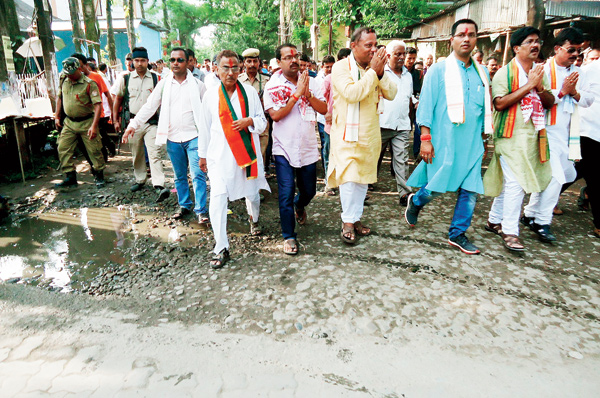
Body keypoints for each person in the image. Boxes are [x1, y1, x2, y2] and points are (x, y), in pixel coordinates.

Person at [404, 19, 491, 255]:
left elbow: (483, 109)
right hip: (445, 141)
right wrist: (425, 139)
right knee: (436, 187)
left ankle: (457, 233)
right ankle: (417, 201)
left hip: (472, 143)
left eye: (471, 35)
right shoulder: (438, 70)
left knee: (470, 189)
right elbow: (426, 107)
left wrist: (484, 137)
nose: (466, 39)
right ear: (451, 39)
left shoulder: (482, 73)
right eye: (461, 34)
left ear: (475, 39)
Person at [483, 26, 555, 251]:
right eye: (529, 42)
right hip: (509, 137)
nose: (535, 45)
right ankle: (510, 230)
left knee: (511, 184)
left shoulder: (539, 71)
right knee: (516, 183)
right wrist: (529, 86)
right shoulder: (505, 72)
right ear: (516, 48)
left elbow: (550, 101)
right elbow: (500, 103)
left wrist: (540, 88)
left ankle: (494, 220)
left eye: (537, 41)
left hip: (532, 137)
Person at [519, 27, 593, 242]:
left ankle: (530, 214)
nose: (575, 55)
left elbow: (588, 100)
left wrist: (574, 92)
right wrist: (562, 92)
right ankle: (542, 222)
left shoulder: (579, 73)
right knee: (555, 178)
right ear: (558, 48)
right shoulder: (541, 70)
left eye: (578, 51)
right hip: (544, 132)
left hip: (567, 134)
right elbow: (536, 101)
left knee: (556, 177)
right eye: (571, 50)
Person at [198, 50, 270, 268]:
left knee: (252, 194)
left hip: (246, 156)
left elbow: (262, 122)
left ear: (240, 69)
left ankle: (254, 219)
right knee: (218, 197)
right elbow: (204, 128)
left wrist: (249, 121)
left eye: (234, 68)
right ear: (216, 69)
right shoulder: (210, 95)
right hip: (219, 157)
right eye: (225, 68)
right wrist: (202, 155)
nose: (230, 72)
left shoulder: (248, 92)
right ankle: (221, 247)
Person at [327, 27, 397, 245]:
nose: (373, 50)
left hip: (369, 134)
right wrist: (373, 72)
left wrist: (380, 72)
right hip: (347, 135)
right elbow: (352, 94)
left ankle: (355, 218)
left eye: (375, 45)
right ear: (353, 46)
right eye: (368, 45)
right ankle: (347, 222)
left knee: (363, 180)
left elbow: (392, 93)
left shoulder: (376, 69)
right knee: (349, 179)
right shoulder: (340, 67)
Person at [124, 47, 209, 222]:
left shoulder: (199, 86)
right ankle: (185, 205)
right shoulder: (163, 84)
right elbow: (149, 106)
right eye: (172, 60)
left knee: (198, 174)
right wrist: (133, 124)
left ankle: (201, 210)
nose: (175, 63)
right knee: (179, 176)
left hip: (195, 136)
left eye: (180, 60)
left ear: (188, 62)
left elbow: (208, 111)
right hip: (173, 137)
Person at [263, 43, 327, 255]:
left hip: (307, 146)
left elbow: (324, 109)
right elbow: (276, 116)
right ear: (279, 62)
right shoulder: (273, 85)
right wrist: (296, 95)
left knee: (309, 191)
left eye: (295, 56)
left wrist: (306, 93)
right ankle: (289, 236)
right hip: (283, 148)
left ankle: (300, 206)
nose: (293, 60)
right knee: (286, 192)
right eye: (287, 57)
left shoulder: (311, 80)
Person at [113, 47, 170, 202]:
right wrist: (116, 120)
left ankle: (159, 184)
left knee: (154, 152)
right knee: (136, 153)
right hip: (133, 123)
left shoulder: (156, 79)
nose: (139, 64)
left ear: (147, 61)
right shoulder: (125, 79)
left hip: (152, 123)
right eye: (136, 60)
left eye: (142, 61)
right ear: (132, 61)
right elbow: (117, 99)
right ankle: (140, 179)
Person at [54, 57, 105, 188]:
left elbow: (98, 105)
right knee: (63, 148)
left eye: (72, 74)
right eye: (67, 74)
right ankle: (70, 176)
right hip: (69, 123)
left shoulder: (89, 83)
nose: (70, 76)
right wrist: (57, 116)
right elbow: (59, 98)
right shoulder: (64, 80)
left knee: (94, 150)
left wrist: (94, 126)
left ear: (79, 69)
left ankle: (99, 174)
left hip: (87, 122)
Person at [379, 40, 413, 207]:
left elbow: (408, 98)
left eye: (403, 54)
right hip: (381, 124)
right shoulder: (380, 73)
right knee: (373, 159)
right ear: (388, 56)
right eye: (397, 54)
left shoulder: (408, 75)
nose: (401, 57)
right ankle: (363, 189)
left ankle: (405, 194)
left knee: (401, 160)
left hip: (402, 126)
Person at [71, 53, 115, 160]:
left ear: (85, 65)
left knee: (102, 136)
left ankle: (108, 151)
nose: (78, 68)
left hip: (99, 113)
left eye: (80, 65)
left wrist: (113, 113)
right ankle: (98, 159)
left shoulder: (96, 77)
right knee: (90, 139)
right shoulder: (73, 79)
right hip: (84, 116)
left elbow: (107, 95)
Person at [238, 48, 270, 169]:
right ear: (244, 63)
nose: (252, 64)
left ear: (259, 62)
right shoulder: (238, 80)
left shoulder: (267, 80)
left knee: (259, 157)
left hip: (261, 122)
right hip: (243, 123)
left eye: (255, 61)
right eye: (249, 61)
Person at [579, 56, 600, 238]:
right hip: (589, 130)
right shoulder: (591, 70)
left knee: (577, 171)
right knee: (594, 176)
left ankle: (546, 202)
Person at [315, 55, 335, 182]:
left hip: (337, 120)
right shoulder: (318, 80)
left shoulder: (339, 77)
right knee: (326, 147)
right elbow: (320, 99)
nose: (329, 69)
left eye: (331, 67)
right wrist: (325, 113)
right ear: (322, 67)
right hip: (324, 119)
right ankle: (328, 178)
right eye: (327, 67)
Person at [405, 47, 423, 158]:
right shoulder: (399, 71)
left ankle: (416, 153)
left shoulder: (418, 74)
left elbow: (420, 91)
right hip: (403, 106)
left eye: (413, 58)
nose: (411, 61)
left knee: (417, 129)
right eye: (409, 58)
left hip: (415, 106)